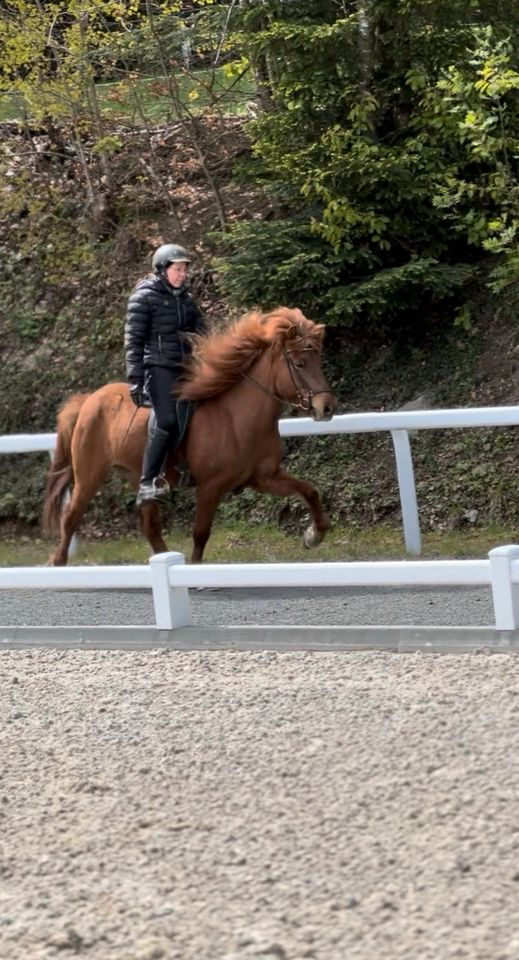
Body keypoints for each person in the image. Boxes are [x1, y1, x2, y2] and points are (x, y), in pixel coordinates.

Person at [124, 242, 205, 506]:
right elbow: (133, 341)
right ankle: (147, 482)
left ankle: (183, 466)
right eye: (178, 269)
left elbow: (204, 330)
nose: (183, 274)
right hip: (157, 367)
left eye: (184, 270)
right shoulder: (144, 297)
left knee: (201, 412)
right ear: (162, 269)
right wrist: (135, 380)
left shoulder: (186, 299)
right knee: (167, 420)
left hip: (185, 366)